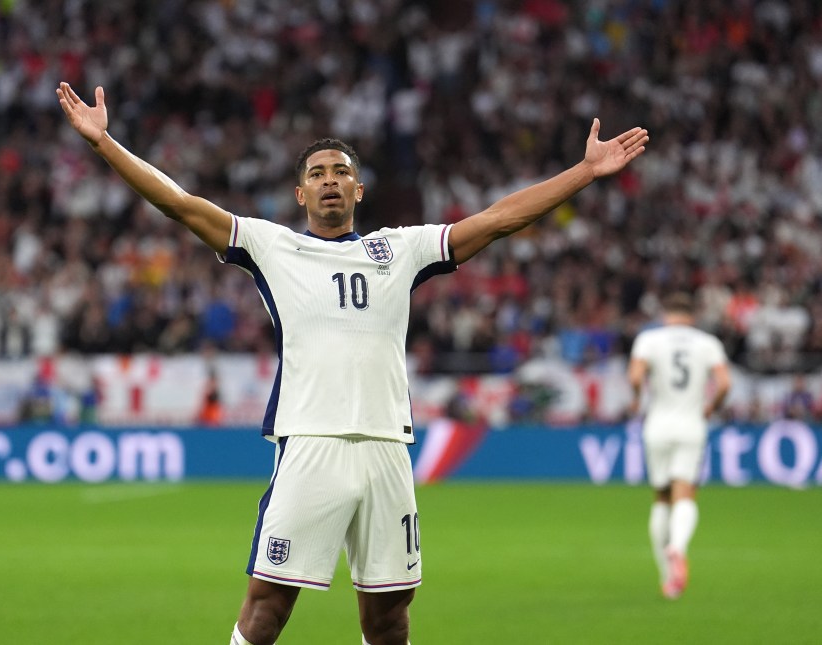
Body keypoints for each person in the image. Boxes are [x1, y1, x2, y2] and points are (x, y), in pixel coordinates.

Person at [57, 81, 648, 645]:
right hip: (311, 441)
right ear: (301, 195)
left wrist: (586, 172)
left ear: (360, 190)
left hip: (387, 447)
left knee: (390, 620)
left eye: (342, 172)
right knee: (267, 607)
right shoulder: (273, 246)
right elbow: (180, 204)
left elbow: (498, 220)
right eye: (317, 174)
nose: (330, 181)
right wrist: (104, 143)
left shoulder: (401, 248)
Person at [627, 292, 731, 600]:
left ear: (666, 315)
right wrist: (713, 405)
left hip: (657, 425)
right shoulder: (707, 342)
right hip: (691, 425)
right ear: (692, 317)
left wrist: (636, 398)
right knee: (685, 492)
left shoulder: (649, 340)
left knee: (661, 498)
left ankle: (666, 575)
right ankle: (678, 547)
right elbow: (724, 383)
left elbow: (635, 376)